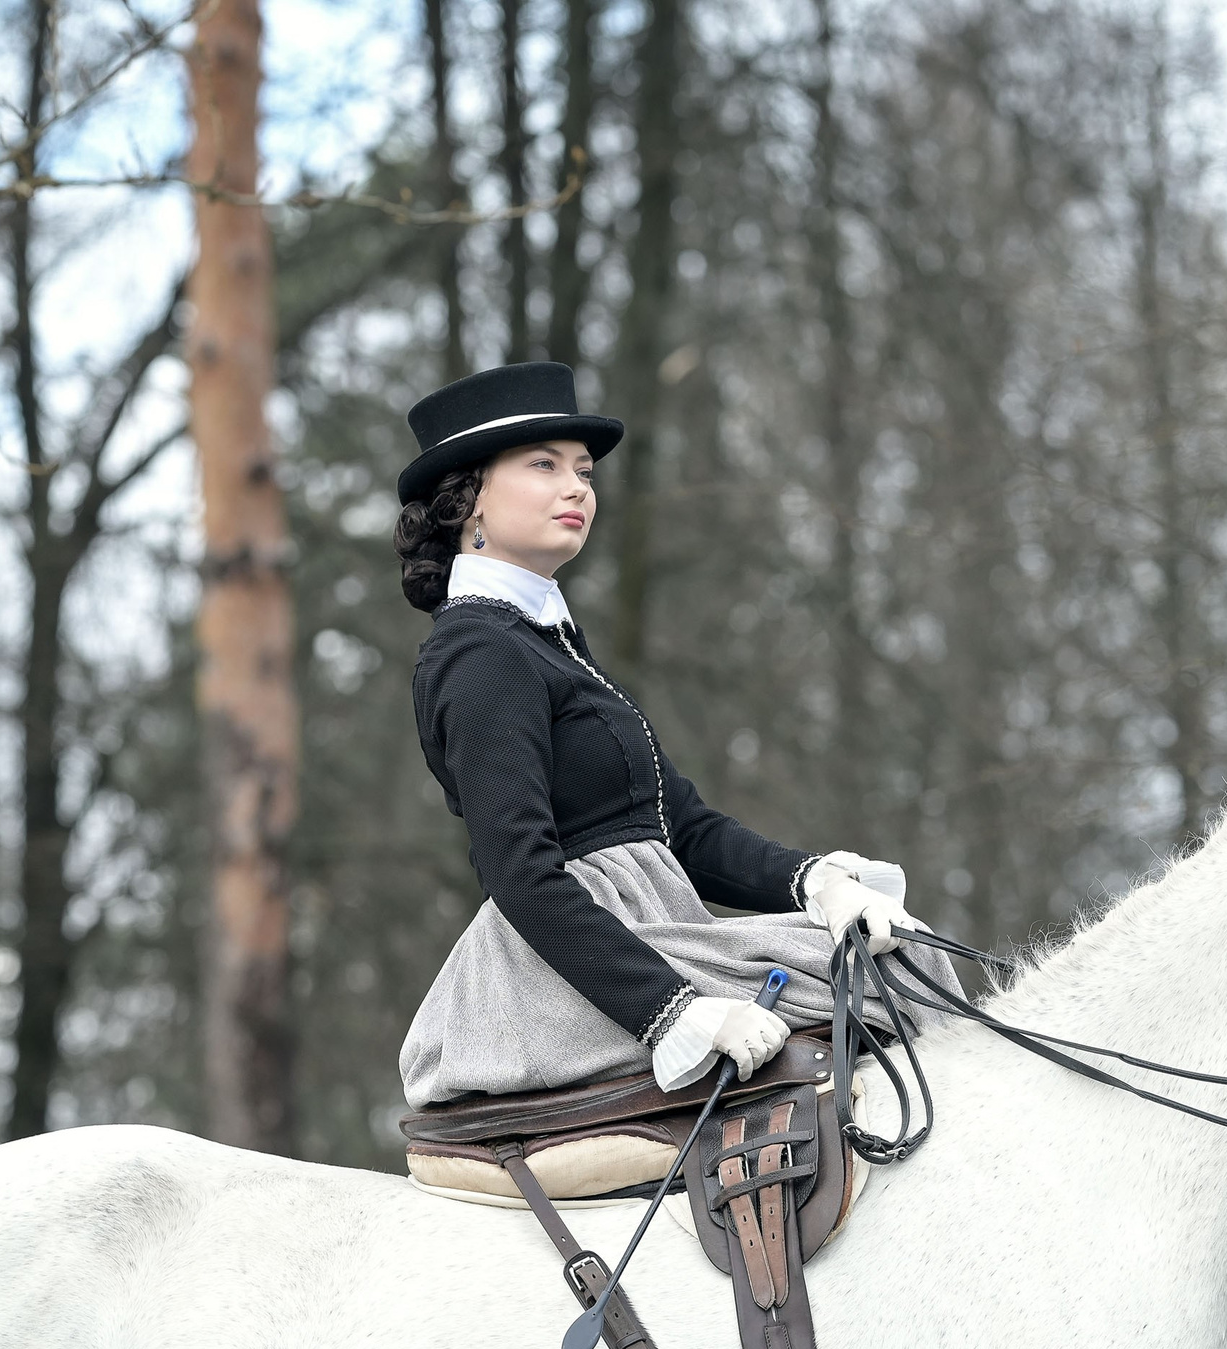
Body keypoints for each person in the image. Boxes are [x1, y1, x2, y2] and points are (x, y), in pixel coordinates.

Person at [393, 362, 951, 1107]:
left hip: (654, 929)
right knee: (894, 973)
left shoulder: (544, 639)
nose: (577, 488)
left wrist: (820, 882)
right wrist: (673, 1009)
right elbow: (520, 873)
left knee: (897, 954)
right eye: (542, 464)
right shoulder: (480, 653)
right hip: (564, 970)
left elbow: (680, 828)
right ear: (469, 502)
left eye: (584, 472)